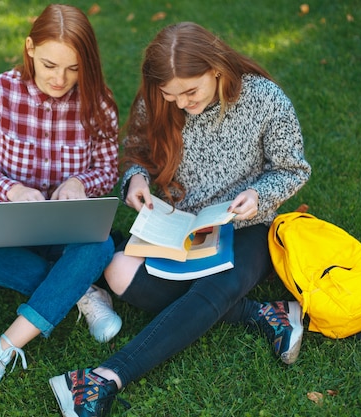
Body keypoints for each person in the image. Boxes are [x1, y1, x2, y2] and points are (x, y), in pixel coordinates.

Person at [49, 22, 312, 416]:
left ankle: (104, 377)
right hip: (179, 225)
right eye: (173, 96)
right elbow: (135, 148)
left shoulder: (265, 99)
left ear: (217, 69)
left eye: (191, 92)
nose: (183, 104)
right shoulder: (159, 99)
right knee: (119, 272)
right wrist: (135, 177)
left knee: (217, 286)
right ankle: (263, 314)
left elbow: (292, 169)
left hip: (246, 226)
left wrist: (260, 194)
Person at [0, 4, 123, 416]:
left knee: (99, 244)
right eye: (50, 64)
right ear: (29, 48)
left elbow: (106, 170)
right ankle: (79, 290)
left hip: (68, 229)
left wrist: (80, 183)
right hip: (16, 225)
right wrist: (10, 189)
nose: (59, 79)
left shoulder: (99, 103)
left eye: (73, 69)